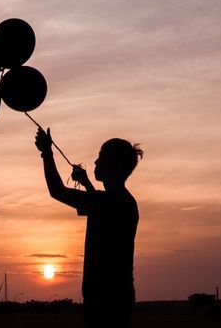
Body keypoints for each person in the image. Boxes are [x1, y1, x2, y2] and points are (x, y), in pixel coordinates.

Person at [35, 126, 142, 327]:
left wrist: (47, 153)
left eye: (102, 157)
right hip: (117, 296)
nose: (96, 161)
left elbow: (57, 191)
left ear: (116, 166)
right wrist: (86, 183)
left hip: (105, 299)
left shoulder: (107, 202)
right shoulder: (125, 201)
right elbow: (99, 210)